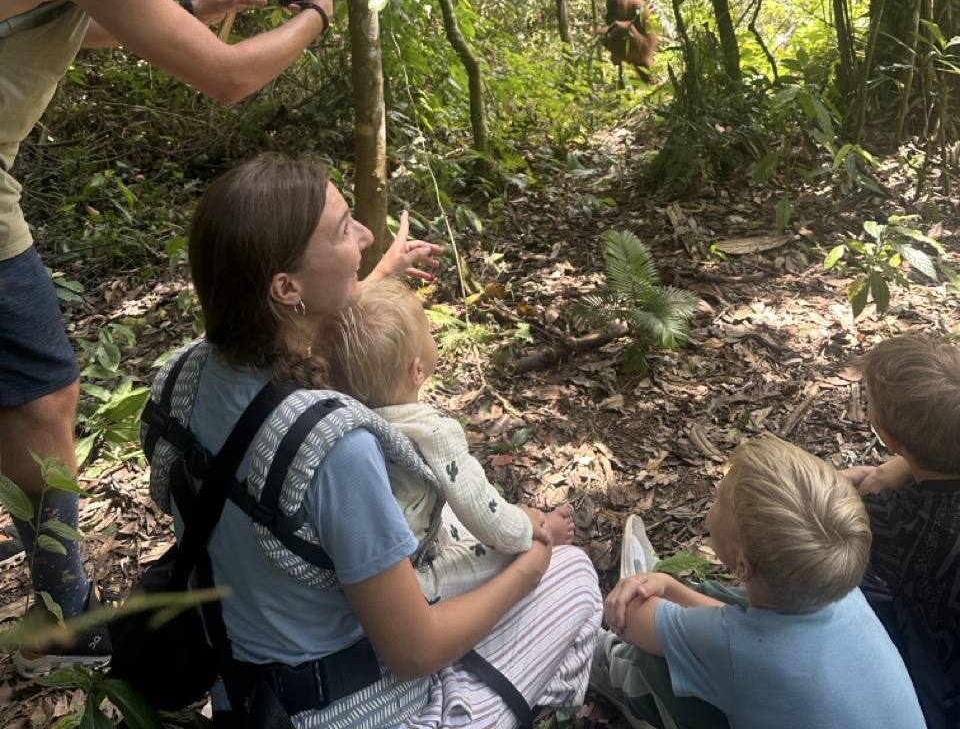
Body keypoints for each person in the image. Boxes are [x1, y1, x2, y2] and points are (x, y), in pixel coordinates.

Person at [0, 0, 337, 672]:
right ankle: (63, 622)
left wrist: (196, 8)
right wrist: (312, 14)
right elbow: (226, 79)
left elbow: (64, 15)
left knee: (36, 397)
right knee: (46, 394)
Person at [153, 154, 601, 727]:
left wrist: (372, 275)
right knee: (572, 573)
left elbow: (282, 332)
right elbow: (413, 652)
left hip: (245, 698)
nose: (366, 234)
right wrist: (532, 565)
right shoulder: (335, 446)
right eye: (344, 230)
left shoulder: (179, 379)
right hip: (368, 711)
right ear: (287, 287)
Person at [592, 434, 926, 729]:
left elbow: (629, 617)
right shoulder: (841, 588)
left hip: (729, 659)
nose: (716, 490)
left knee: (651, 658)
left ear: (742, 565)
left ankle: (602, 665)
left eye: (721, 499)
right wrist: (672, 587)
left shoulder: (738, 652)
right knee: (717, 598)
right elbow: (746, 634)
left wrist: (647, 589)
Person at [325, 277, 576, 602]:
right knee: (502, 540)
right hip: (415, 580)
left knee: (452, 512)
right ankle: (546, 534)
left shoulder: (345, 414)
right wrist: (526, 527)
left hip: (384, 552)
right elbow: (481, 510)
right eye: (429, 331)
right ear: (417, 370)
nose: (433, 334)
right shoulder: (433, 432)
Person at [843, 332, 960, 729]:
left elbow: (812, 504)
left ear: (889, 437)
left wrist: (878, 474)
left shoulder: (892, 523)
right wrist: (898, 468)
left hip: (943, 685)